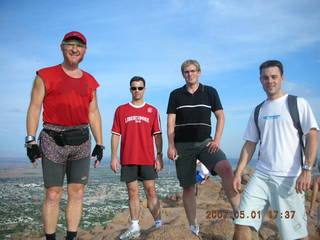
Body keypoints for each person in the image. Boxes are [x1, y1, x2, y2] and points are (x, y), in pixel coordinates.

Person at [25, 31, 104, 240]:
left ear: (85, 51)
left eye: (79, 46)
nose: (75, 49)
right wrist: (30, 140)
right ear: (62, 47)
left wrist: (100, 143)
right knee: (53, 193)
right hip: (53, 138)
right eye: (70, 44)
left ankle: (71, 237)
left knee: (77, 192)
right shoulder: (45, 75)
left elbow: (93, 113)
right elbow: (34, 107)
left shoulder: (90, 81)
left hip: (82, 140)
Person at [233, 60, 319, 240]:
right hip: (261, 175)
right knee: (242, 223)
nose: (269, 81)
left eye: (274, 77)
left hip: (289, 178)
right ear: (260, 80)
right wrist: (239, 172)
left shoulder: (298, 103)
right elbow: (250, 143)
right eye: (265, 77)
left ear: (282, 78)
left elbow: (312, 136)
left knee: (294, 235)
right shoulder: (258, 110)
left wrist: (307, 170)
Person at [167, 59, 240, 236]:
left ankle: (240, 215)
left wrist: (217, 139)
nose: (190, 74)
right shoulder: (175, 94)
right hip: (183, 146)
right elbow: (170, 121)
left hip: (205, 143)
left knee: (226, 168)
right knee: (189, 187)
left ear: (199, 72)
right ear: (182, 74)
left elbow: (221, 117)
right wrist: (171, 146)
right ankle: (193, 226)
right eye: (186, 71)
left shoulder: (210, 92)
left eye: (193, 71)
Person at [110, 76, 163, 240]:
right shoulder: (121, 110)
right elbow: (115, 134)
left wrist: (159, 155)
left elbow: (158, 135)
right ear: (130, 89)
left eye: (140, 88)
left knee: (151, 192)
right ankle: (134, 226)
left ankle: (159, 225)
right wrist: (113, 156)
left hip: (147, 158)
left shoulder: (152, 110)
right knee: (132, 193)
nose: (137, 91)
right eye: (134, 88)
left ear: (145, 89)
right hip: (128, 158)